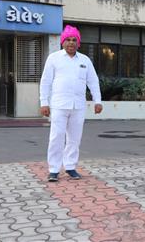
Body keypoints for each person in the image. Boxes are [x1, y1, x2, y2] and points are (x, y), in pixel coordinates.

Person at [40, 25, 102, 182]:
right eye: (68, 39)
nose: (71, 43)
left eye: (74, 40)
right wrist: (44, 102)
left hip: (78, 106)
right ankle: (54, 169)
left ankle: (70, 167)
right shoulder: (53, 58)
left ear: (78, 42)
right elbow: (45, 82)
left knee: (74, 138)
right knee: (56, 137)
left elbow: (93, 81)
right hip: (59, 105)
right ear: (62, 42)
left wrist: (98, 101)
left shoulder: (85, 60)